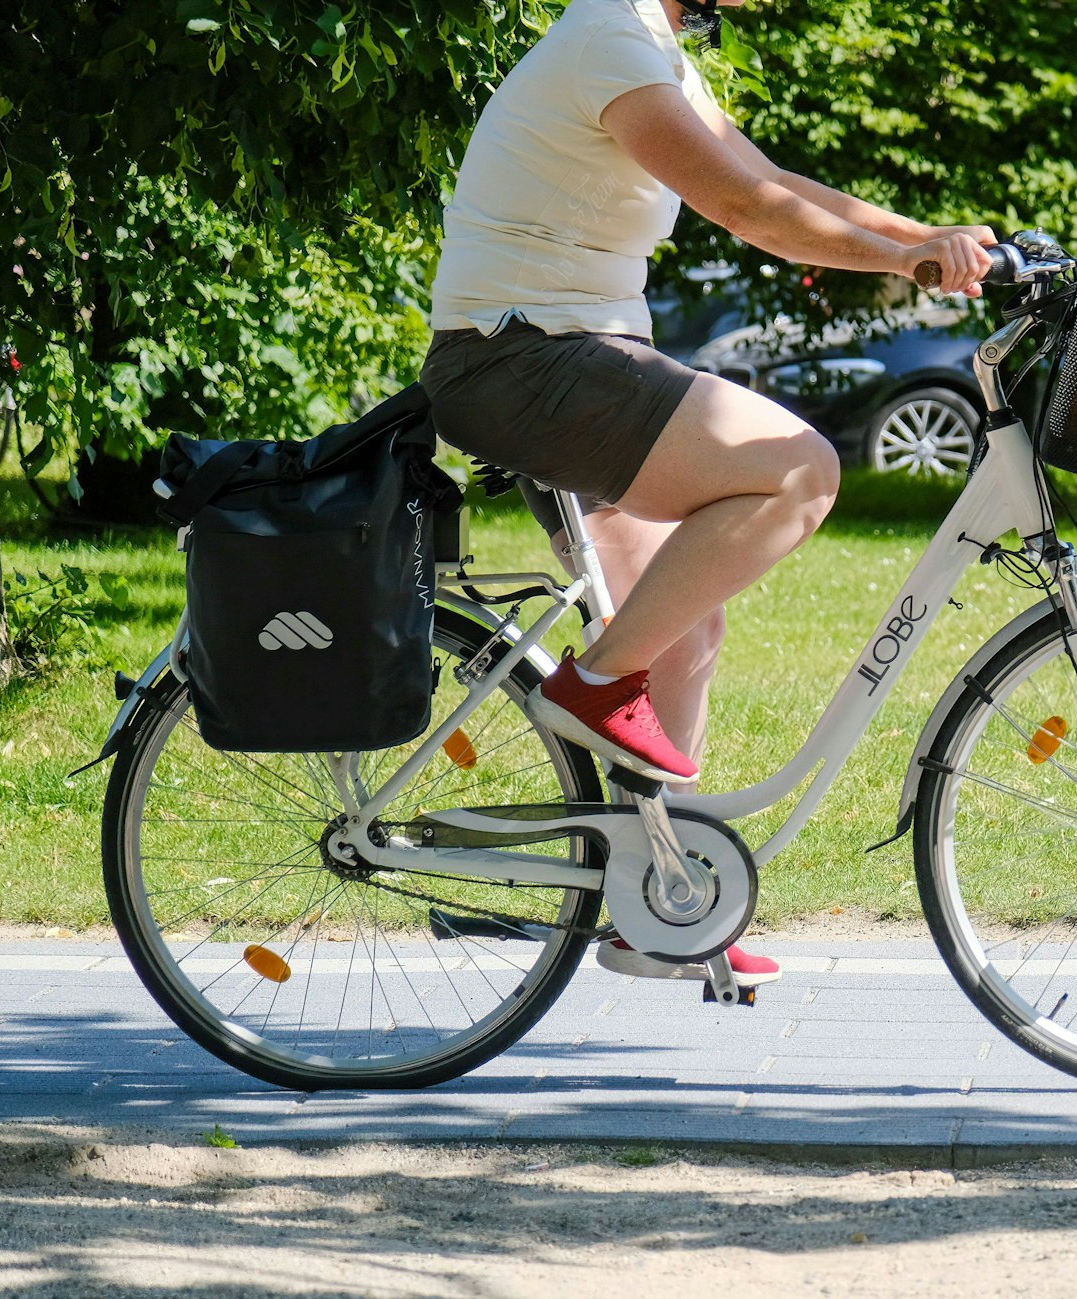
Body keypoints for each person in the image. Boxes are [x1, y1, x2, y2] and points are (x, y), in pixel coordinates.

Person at [420, 0, 990, 985]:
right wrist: (904, 261)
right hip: (524, 360)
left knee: (679, 630)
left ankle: (661, 909)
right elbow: (749, 213)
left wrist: (926, 235)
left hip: (569, 358)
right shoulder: (609, 35)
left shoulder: (646, 45)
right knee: (802, 468)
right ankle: (591, 685)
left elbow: (771, 179)